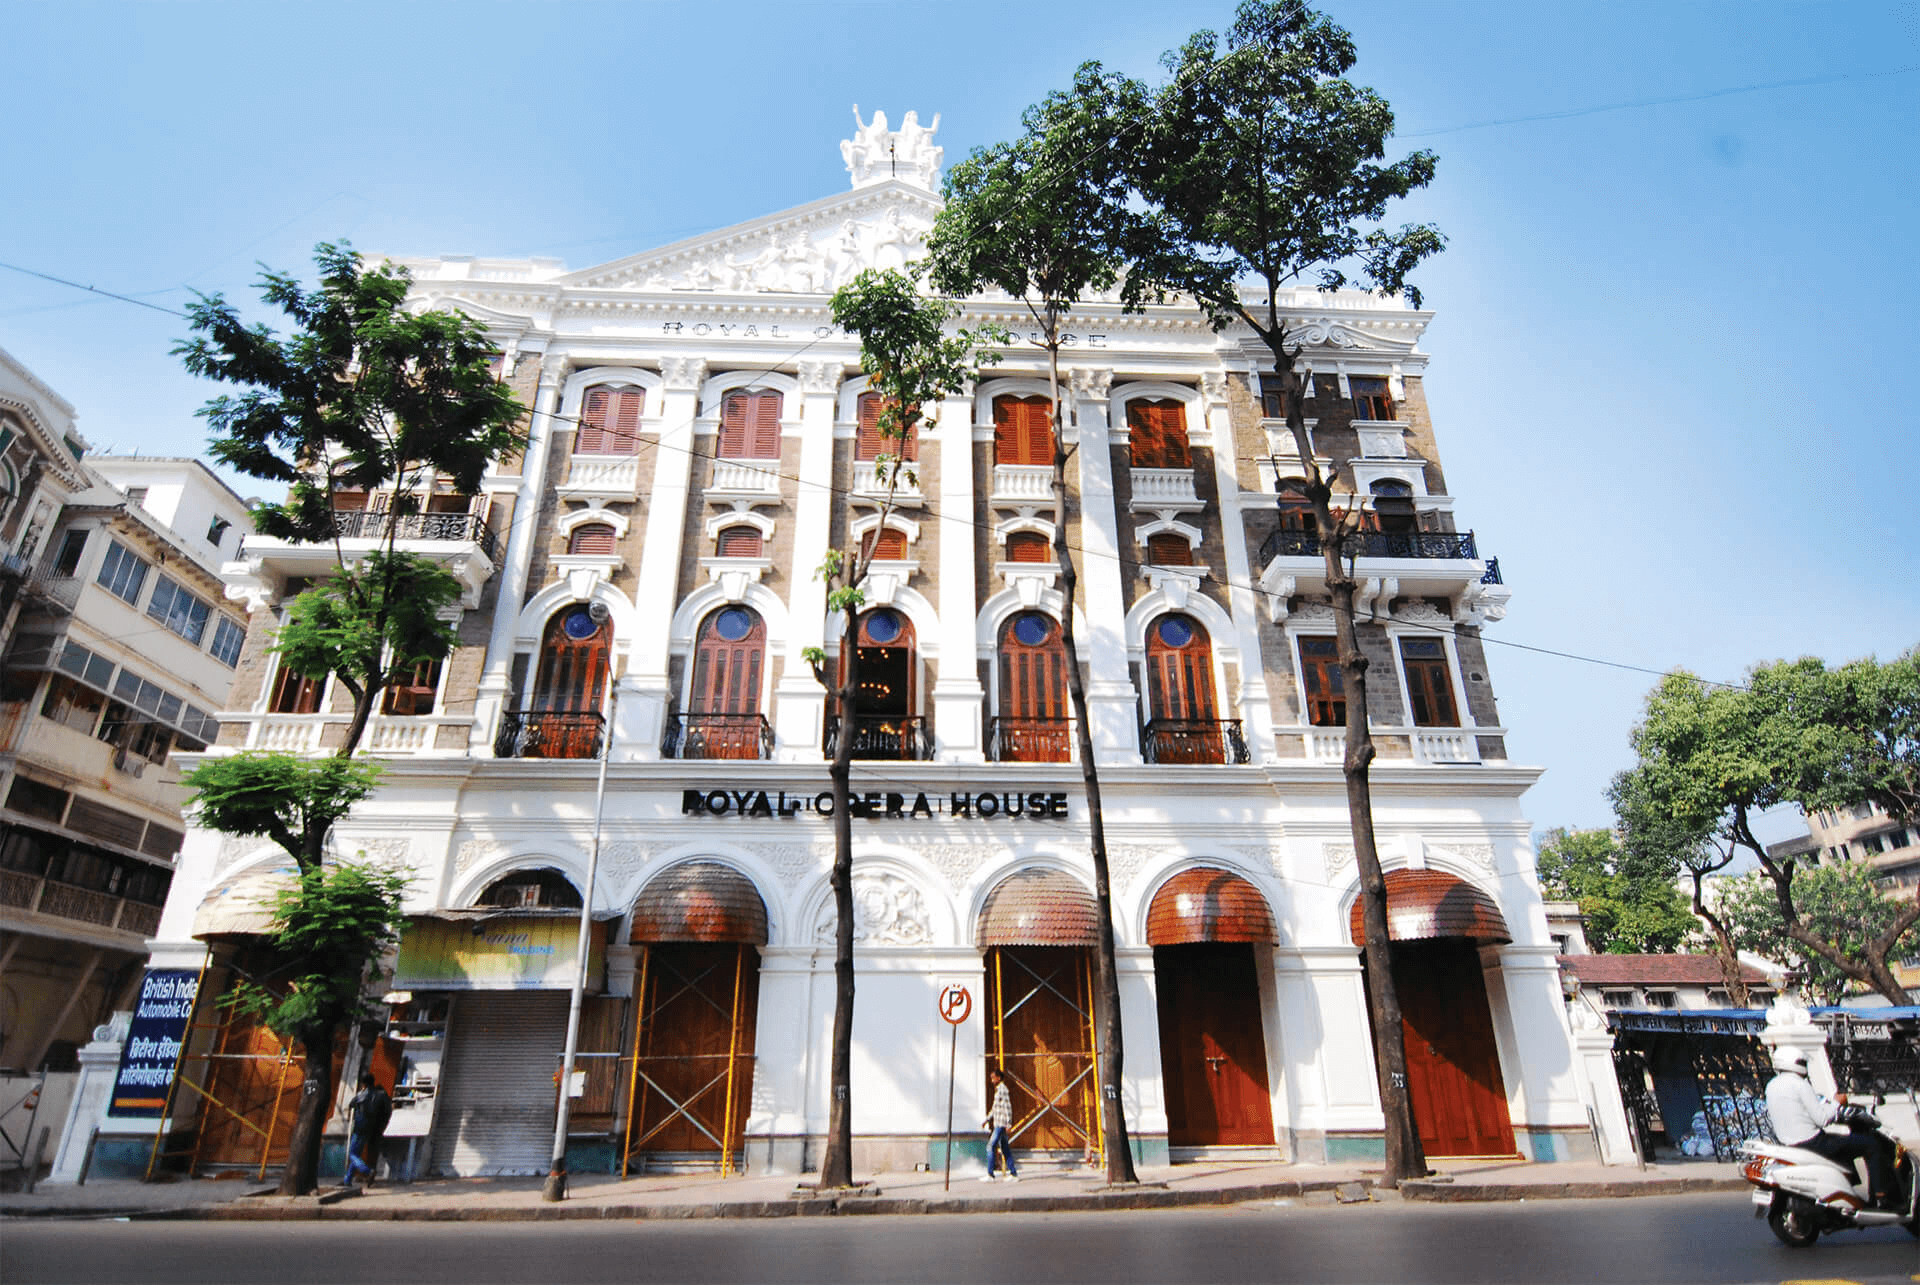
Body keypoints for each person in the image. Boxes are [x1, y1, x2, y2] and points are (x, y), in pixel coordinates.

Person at [1764, 1046, 1896, 1209]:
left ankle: (1848, 1192)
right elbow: (1822, 1119)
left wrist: (1831, 1107)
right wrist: (1837, 1102)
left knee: (1847, 1143)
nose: (1805, 1066)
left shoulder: (1771, 1086)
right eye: (1803, 1062)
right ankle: (1882, 1197)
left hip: (1790, 1143)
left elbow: (1804, 1112)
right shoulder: (1799, 1084)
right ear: (1795, 1063)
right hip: (1814, 1143)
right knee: (1872, 1144)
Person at [343, 1072, 392, 1188]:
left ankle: (367, 1171)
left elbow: (351, 1104)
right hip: (374, 1129)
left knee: (353, 1154)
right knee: (358, 1154)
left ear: (364, 1084)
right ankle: (347, 1180)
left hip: (360, 1128)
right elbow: (388, 1111)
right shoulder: (381, 1094)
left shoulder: (362, 1094)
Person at [981, 1067, 1019, 1183]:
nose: (992, 1080)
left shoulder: (1002, 1090)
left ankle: (990, 1174)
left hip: (1001, 1124)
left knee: (990, 1147)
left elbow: (1008, 1107)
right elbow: (995, 1108)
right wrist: (987, 1119)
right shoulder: (998, 1090)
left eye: (993, 1078)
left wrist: (1008, 1123)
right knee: (1005, 1149)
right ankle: (1013, 1174)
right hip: (998, 1122)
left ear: (999, 1078)